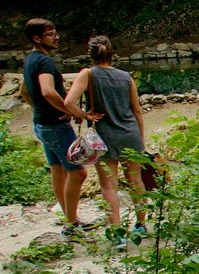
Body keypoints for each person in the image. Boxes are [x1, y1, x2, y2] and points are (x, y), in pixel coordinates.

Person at [63, 35, 147, 248]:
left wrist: (85, 115)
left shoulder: (88, 74)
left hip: (105, 136)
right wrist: (141, 137)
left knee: (109, 185)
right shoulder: (126, 76)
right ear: (111, 53)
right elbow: (137, 109)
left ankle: (118, 234)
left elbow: (68, 102)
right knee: (135, 179)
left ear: (90, 54)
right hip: (130, 133)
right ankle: (141, 224)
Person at [23, 18, 98, 238]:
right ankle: (72, 224)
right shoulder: (45, 63)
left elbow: (25, 91)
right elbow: (47, 91)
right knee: (79, 172)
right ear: (37, 38)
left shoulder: (30, 60)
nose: (56, 37)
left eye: (56, 33)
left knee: (58, 171)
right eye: (51, 34)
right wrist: (74, 110)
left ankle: (70, 218)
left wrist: (41, 109)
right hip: (55, 126)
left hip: (41, 124)